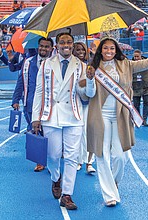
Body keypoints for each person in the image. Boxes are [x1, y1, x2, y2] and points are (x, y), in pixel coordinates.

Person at [32, 33, 96, 210]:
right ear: (57, 45)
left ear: (73, 44)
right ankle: (55, 178)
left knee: (71, 157)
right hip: (50, 115)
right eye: (62, 42)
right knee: (53, 155)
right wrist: (35, 118)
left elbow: (88, 95)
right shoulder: (46, 64)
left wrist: (90, 80)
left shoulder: (82, 66)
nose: (65, 45)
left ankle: (67, 194)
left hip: (73, 116)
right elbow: (38, 92)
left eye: (69, 42)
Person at [86, 36, 148, 207]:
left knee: (120, 157)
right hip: (100, 116)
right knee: (102, 155)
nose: (109, 51)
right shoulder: (93, 68)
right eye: (105, 48)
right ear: (100, 50)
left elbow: (144, 64)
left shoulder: (126, 65)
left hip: (120, 116)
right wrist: (90, 79)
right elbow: (88, 95)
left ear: (117, 50)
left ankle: (113, 184)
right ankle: (109, 195)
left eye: (112, 48)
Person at [12, 37, 54, 172]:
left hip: (49, 103)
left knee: (50, 133)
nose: (43, 49)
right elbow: (20, 82)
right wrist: (15, 100)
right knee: (34, 132)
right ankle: (40, 161)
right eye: (42, 46)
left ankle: (52, 160)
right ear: (38, 47)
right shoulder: (28, 63)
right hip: (30, 104)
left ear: (51, 49)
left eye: (47, 46)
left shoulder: (55, 63)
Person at [72, 42, 96, 174]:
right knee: (78, 134)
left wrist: (89, 80)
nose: (80, 52)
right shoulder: (71, 67)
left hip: (90, 105)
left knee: (89, 134)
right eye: (77, 50)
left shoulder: (91, 66)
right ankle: (79, 160)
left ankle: (89, 162)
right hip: (75, 105)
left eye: (82, 49)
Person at [132, 49, 148, 126]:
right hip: (135, 88)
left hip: (146, 88)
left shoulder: (146, 64)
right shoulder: (130, 64)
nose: (136, 58)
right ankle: (138, 120)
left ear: (141, 56)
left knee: (146, 104)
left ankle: (144, 120)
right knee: (136, 105)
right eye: (134, 56)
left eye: (137, 56)